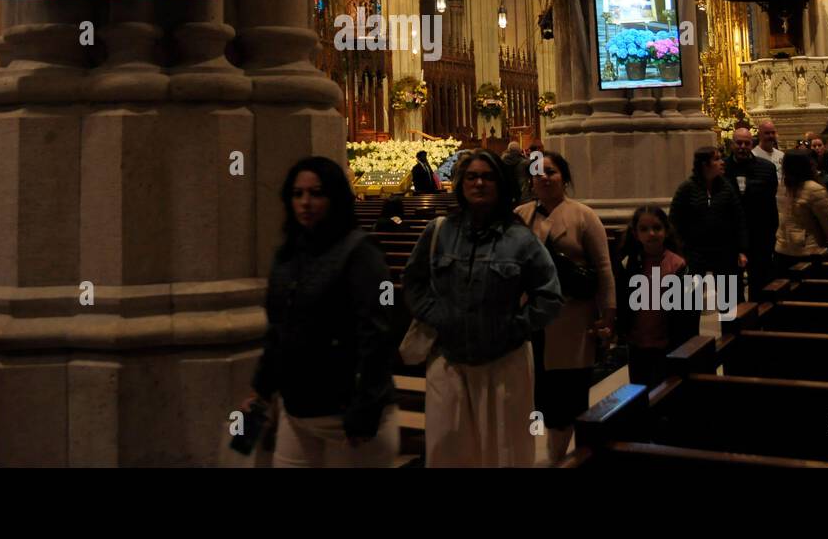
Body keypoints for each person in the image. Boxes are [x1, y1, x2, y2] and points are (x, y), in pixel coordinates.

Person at [403, 149, 562, 468]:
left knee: (505, 453)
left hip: (504, 362)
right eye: (472, 176)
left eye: (488, 177)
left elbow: (550, 296)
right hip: (449, 361)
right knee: (448, 451)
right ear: (461, 183)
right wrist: (438, 317)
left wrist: (515, 326)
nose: (479, 183)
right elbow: (413, 281)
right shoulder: (440, 232)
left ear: (501, 184)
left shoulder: (520, 238)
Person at [248, 156, 398, 468]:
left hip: (346, 414)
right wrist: (262, 389)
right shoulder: (288, 253)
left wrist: (365, 407)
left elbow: (378, 334)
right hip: (297, 408)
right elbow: (279, 330)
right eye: (297, 194)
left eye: (317, 193)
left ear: (335, 198)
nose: (305, 202)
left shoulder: (361, 251)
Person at [516, 152, 616, 463]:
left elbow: (603, 269)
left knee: (568, 393)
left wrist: (608, 316)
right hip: (530, 317)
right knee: (538, 390)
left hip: (571, 319)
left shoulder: (584, 216)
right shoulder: (520, 216)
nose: (544, 177)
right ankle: (548, 449)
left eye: (551, 171)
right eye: (538, 173)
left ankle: (558, 455)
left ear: (564, 178)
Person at [615, 206, 701, 388]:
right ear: (636, 234)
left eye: (657, 227)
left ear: (666, 230)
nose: (651, 234)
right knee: (640, 393)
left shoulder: (678, 266)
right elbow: (622, 301)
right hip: (637, 345)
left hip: (667, 345)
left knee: (663, 395)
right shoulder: (629, 263)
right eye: (644, 229)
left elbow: (688, 315)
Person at [668, 146, 748, 295]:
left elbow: (738, 219)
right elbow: (674, 222)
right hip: (694, 252)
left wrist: (742, 250)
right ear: (704, 164)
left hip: (724, 250)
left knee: (730, 301)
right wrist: (679, 251)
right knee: (690, 302)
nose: (722, 162)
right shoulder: (686, 188)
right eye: (717, 159)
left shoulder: (726, 187)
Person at [724, 125, 779, 298]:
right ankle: (733, 323)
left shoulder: (767, 168)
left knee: (760, 282)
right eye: (738, 143)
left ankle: (758, 322)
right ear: (732, 144)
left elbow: (771, 201)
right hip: (730, 235)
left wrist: (772, 232)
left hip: (760, 234)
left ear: (751, 144)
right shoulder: (722, 169)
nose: (742, 147)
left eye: (746, 143)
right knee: (730, 288)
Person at [774, 148, 828, 273]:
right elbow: (827, 221)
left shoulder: (781, 187)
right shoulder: (814, 189)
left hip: (782, 247)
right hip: (807, 249)